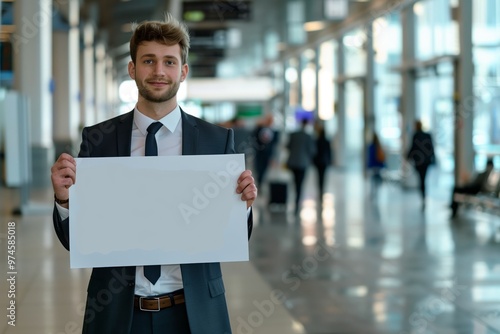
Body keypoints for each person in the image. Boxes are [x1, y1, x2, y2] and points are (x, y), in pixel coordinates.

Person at [50, 15, 257, 334]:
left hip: (193, 313)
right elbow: (75, 241)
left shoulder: (215, 141)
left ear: (183, 72)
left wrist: (242, 207)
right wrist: (64, 200)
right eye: (149, 61)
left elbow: (232, 237)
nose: (159, 71)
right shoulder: (99, 139)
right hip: (119, 315)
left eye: (169, 62)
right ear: (132, 69)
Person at [286, 119, 316, 214]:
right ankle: (297, 201)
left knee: (295, 181)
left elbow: (288, 146)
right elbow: (312, 150)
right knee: (300, 183)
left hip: (293, 162)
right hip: (303, 163)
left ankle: (295, 198)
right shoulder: (308, 136)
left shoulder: (293, 135)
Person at [406, 120, 435, 210]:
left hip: (419, 162)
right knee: (423, 179)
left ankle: (423, 196)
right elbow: (431, 148)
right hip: (425, 161)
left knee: (421, 179)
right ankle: (424, 196)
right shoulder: (427, 135)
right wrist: (433, 159)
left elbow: (413, 148)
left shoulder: (416, 135)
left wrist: (408, 157)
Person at [251, 114, 278, 186]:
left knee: (265, 170)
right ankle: (259, 182)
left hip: (268, 154)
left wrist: (274, 157)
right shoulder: (260, 128)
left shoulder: (274, 131)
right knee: (258, 169)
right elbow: (253, 137)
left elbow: (275, 145)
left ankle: (261, 183)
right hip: (259, 153)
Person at [313, 124, 332, 198]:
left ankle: (320, 189)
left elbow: (314, 152)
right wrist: (329, 160)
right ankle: (321, 189)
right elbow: (329, 152)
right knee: (323, 176)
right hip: (324, 162)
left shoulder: (317, 141)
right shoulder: (326, 141)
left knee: (319, 176)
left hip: (318, 161)